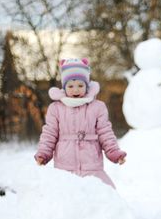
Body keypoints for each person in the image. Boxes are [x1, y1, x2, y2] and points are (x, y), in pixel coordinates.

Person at [34, 58, 126, 188]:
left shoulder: (97, 107)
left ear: (87, 85)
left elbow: (105, 132)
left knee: (100, 195)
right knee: (67, 196)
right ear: (64, 86)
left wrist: (114, 152)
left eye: (80, 85)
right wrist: (43, 153)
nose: (76, 90)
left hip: (91, 164)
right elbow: (49, 133)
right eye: (71, 86)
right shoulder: (56, 108)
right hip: (65, 165)